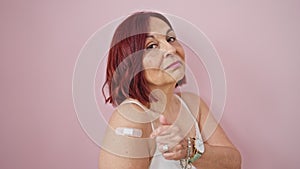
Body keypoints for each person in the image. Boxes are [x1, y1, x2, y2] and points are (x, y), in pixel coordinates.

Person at [99, 11, 241, 169]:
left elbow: (234, 163)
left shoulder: (193, 104)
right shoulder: (130, 118)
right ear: (132, 63)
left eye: (170, 39)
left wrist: (190, 150)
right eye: (152, 46)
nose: (171, 50)